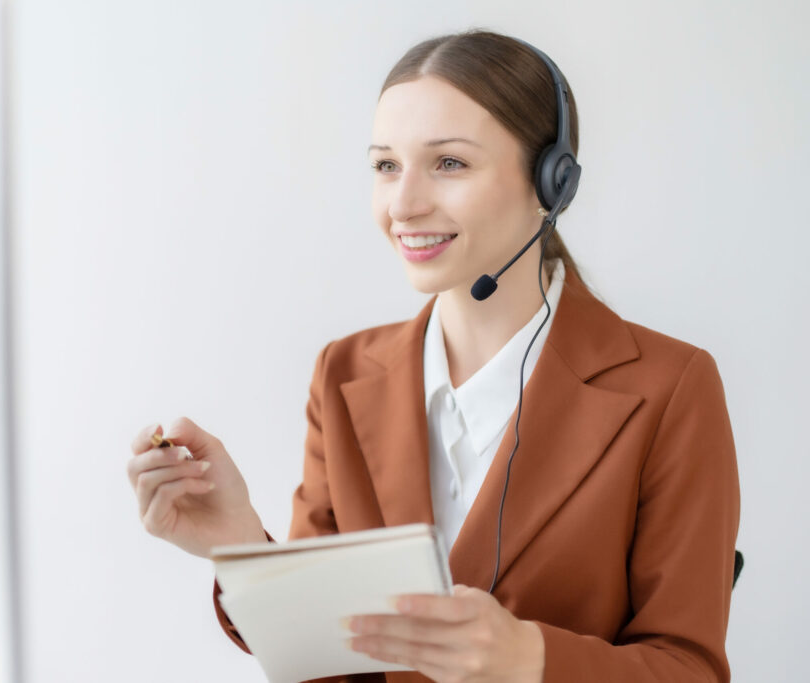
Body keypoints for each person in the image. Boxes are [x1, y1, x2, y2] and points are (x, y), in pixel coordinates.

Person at [127, 29, 740, 683]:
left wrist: (530, 659)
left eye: (449, 163)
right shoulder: (343, 373)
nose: (403, 204)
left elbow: (689, 666)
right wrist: (238, 544)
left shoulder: (669, 388)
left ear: (551, 183)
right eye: (386, 165)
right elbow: (330, 661)